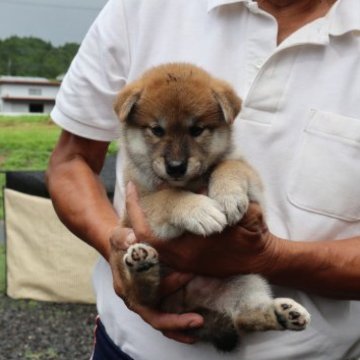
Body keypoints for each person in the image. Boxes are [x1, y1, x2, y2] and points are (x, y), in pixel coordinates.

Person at [46, 0, 360, 359]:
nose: (176, 158)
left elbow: (237, 174)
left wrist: (269, 258)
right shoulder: (142, 8)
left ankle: (256, 315)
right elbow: (71, 162)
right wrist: (116, 246)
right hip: (130, 348)